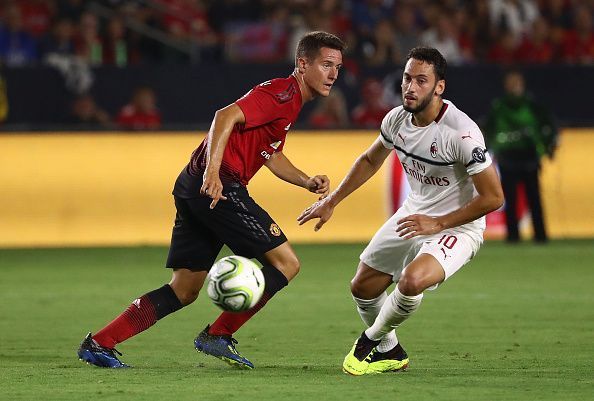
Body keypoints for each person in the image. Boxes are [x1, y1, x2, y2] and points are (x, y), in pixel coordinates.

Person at [77, 31, 345, 369]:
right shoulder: (281, 93)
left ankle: (99, 342)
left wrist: (306, 180)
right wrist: (213, 173)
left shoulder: (288, 103)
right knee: (286, 264)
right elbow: (224, 116)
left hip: (193, 187)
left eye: (337, 67)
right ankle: (217, 335)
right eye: (326, 65)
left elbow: (270, 154)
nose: (333, 74)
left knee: (184, 289)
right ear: (303, 64)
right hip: (220, 187)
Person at [298, 47, 504, 375]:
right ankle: (390, 351)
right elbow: (370, 160)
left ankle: (371, 339)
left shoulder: (461, 133)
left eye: (421, 81)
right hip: (414, 215)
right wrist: (331, 201)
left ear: (439, 87)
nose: (410, 87)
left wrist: (438, 223)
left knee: (411, 281)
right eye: (408, 78)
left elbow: (493, 198)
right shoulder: (395, 120)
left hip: (456, 225)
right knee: (362, 287)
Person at [484, 69, 557, 243]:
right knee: (510, 197)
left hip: (529, 156)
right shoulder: (499, 106)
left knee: (535, 197)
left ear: (522, 83)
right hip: (508, 157)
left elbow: (547, 127)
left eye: (516, 82)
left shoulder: (532, 105)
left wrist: (548, 147)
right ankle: (513, 236)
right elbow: (489, 130)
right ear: (506, 85)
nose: (514, 86)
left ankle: (540, 235)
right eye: (511, 82)